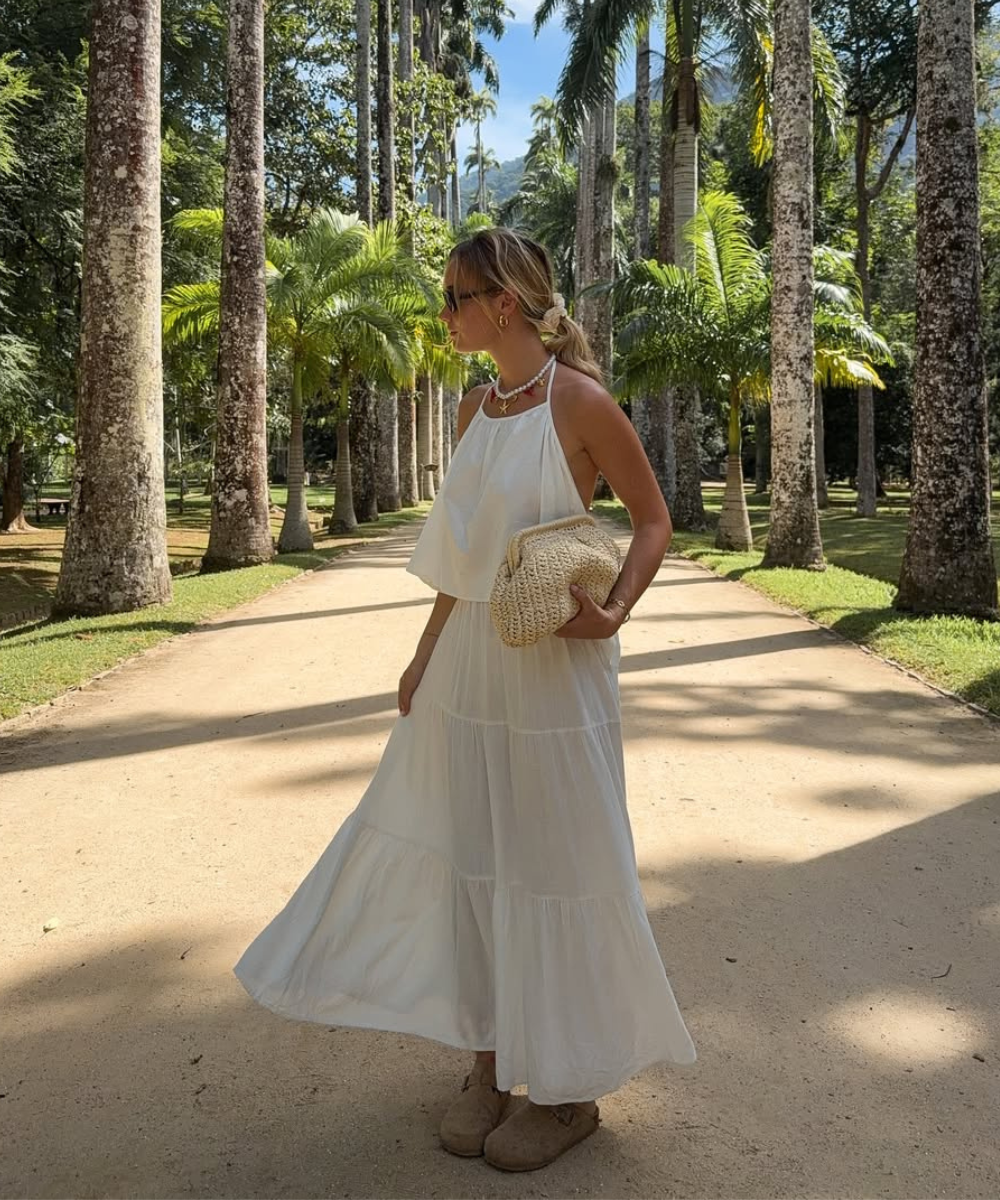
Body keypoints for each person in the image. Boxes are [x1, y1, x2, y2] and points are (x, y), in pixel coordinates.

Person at [233, 227, 696, 1172]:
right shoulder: (471, 411)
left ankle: (568, 1091)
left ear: (504, 306)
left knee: (560, 860)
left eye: (454, 298)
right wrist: (423, 653)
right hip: (471, 670)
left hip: (558, 672)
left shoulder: (581, 402)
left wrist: (615, 610)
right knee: (477, 860)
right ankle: (489, 1065)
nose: (442, 314)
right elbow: (460, 558)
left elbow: (653, 520)